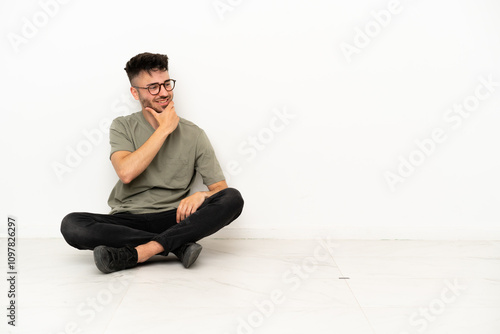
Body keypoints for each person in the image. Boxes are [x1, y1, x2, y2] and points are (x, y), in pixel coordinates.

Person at [60, 52, 244, 274]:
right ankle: (177, 245)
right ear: (134, 93)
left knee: (233, 199)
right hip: (127, 220)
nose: (164, 92)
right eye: (153, 87)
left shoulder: (194, 134)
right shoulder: (123, 126)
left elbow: (220, 190)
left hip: (174, 217)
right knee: (72, 225)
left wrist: (202, 195)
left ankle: (141, 252)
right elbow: (126, 172)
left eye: (167, 83)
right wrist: (165, 129)